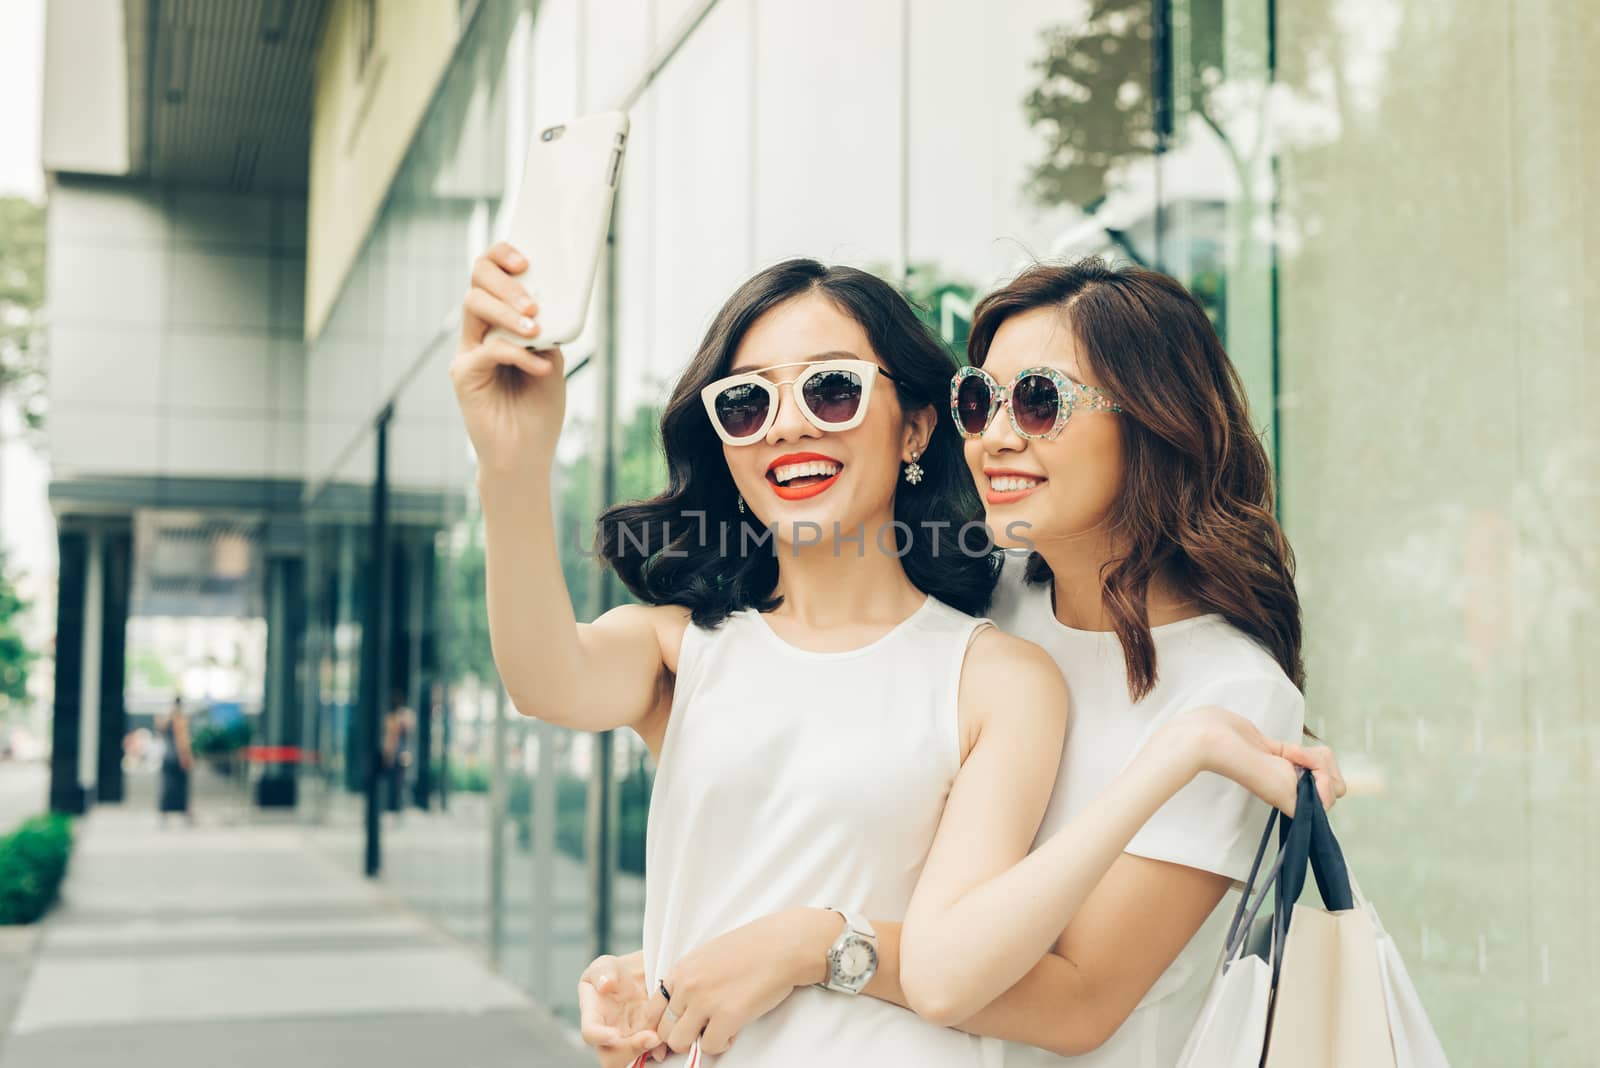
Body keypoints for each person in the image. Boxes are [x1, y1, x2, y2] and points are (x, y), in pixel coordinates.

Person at [453, 243, 1335, 1066]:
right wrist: (692, 958)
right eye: (979, 404)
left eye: (1039, 401)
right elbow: (837, 821)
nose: (993, 435)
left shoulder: (1221, 694)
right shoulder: (985, 600)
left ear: (1155, 422)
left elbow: (1076, 999)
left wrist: (799, 945)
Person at [156, 694, 194, 826]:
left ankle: (166, 814)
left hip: (168, 756)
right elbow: (183, 741)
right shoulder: (180, 719)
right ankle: (184, 813)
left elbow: (159, 729)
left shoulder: (168, 718)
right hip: (178, 757)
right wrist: (186, 757)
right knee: (181, 787)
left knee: (168, 786)